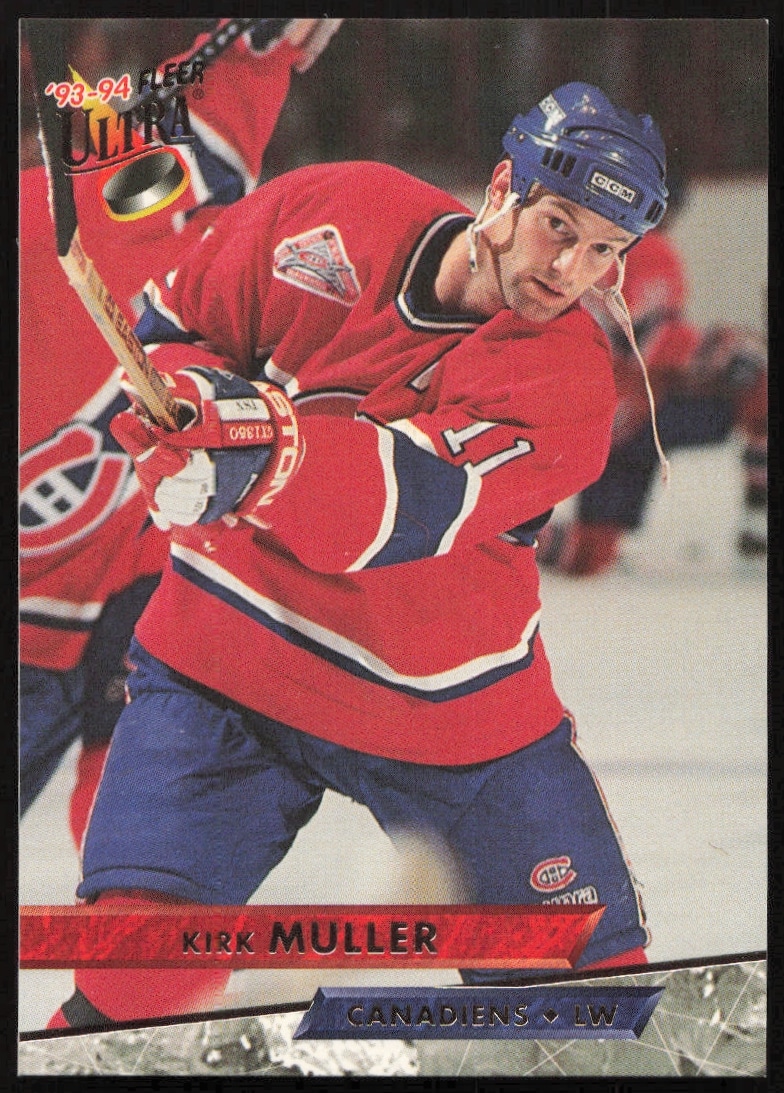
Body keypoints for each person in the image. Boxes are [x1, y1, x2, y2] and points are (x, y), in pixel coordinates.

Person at [49, 81, 668, 1029]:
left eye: (604, 250)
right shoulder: (334, 209)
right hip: (227, 667)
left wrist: (251, 449)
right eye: (560, 226)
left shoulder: (567, 380)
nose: (570, 269)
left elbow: (398, 502)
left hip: (456, 723)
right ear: (503, 188)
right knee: (132, 986)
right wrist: (188, 412)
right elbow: (175, 327)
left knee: (585, 1007)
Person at [20, 18, 343, 845]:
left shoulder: (87, 202)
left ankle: (142, 913)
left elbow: (201, 136)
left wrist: (261, 45)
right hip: (43, 620)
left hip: (140, 559)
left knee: (142, 793)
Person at [535, 184, 767, 577]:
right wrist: (719, 347)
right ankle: (759, 529)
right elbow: (651, 342)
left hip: (599, 416)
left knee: (588, 556)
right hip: (626, 414)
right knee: (758, 380)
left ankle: (499, 532)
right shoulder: (647, 249)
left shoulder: (568, 244)